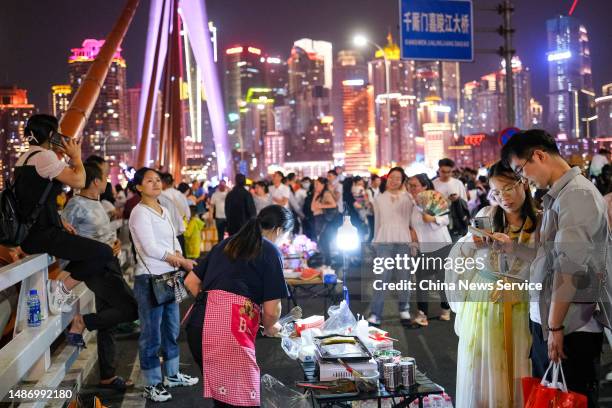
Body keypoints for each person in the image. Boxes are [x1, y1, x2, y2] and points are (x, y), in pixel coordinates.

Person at [502, 129, 609, 407]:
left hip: (571, 326)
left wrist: (554, 327)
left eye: (521, 170)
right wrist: (513, 249)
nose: (523, 178)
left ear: (539, 155)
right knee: (551, 397)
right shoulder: (557, 196)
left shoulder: (577, 195)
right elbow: (547, 258)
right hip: (553, 320)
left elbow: (568, 267)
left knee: (570, 398)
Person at [15, 114, 137, 350]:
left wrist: (60, 219)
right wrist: (76, 156)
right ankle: (62, 286)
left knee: (93, 252)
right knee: (102, 253)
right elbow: (80, 180)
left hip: (35, 233)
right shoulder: (44, 156)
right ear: (51, 135)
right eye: (58, 132)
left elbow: (32, 200)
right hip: (43, 234)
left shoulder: (24, 158)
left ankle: (62, 286)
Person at [445, 160, 539, 407]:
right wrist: (471, 244)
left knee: (516, 362)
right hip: (483, 300)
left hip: (520, 304)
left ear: (524, 183)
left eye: (508, 188)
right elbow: (460, 253)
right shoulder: (487, 214)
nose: (503, 197)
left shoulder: (541, 220)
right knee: (481, 364)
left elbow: (547, 261)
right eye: (496, 192)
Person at [184, 205, 293, 407]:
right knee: (241, 399)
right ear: (279, 230)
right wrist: (270, 327)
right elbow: (272, 309)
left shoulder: (227, 243)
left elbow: (191, 281)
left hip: (197, 325)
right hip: (229, 331)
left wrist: (217, 304)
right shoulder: (269, 250)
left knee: (224, 397)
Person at [62, 162, 137, 390]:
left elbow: (100, 235)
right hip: (97, 268)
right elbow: (65, 238)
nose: (107, 182)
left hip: (108, 262)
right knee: (131, 309)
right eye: (104, 177)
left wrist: (112, 243)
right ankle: (82, 321)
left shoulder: (96, 204)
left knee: (109, 321)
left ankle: (107, 375)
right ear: (95, 181)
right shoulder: (75, 204)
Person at [128, 168, 199, 402]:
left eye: (158, 180)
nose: (155, 183)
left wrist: (178, 255)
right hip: (149, 280)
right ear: (139, 187)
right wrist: (181, 260)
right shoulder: (139, 213)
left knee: (172, 328)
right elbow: (151, 249)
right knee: (151, 335)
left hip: (169, 278)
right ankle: (152, 383)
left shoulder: (163, 209)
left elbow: (171, 239)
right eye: (149, 181)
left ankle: (172, 374)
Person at [367, 167, 415, 326]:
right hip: (384, 242)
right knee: (381, 278)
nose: (394, 180)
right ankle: (375, 314)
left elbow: (413, 221)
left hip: (403, 241)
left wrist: (414, 242)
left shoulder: (408, 198)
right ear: (387, 179)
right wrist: (375, 240)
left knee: (404, 278)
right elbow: (377, 222)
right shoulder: (379, 198)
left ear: (402, 180)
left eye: (398, 178)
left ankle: (404, 311)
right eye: (391, 177)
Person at [407, 174, 452, 326]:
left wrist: (433, 219)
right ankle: (422, 314)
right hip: (422, 249)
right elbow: (412, 225)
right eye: (410, 185)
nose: (411, 188)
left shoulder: (433, 199)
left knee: (442, 282)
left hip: (441, 246)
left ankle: (446, 309)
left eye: (415, 185)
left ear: (424, 186)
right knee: (422, 282)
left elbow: (446, 219)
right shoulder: (411, 204)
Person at [311, 177, 338, 267]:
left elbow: (334, 204)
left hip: (324, 220)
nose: (316, 186)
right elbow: (312, 208)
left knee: (323, 241)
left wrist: (321, 206)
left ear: (323, 185)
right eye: (315, 184)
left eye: (317, 184)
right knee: (322, 242)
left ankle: (327, 263)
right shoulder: (319, 194)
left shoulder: (326, 193)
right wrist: (315, 195)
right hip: (318, 219)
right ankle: (326, 262)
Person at [160, 173, 190, 254]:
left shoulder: (161, 196)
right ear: (172, 182)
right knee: (181, 256)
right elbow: (188, 214)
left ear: (163, 182)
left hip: (166, 233)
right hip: (179, 231)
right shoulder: (180, 195)